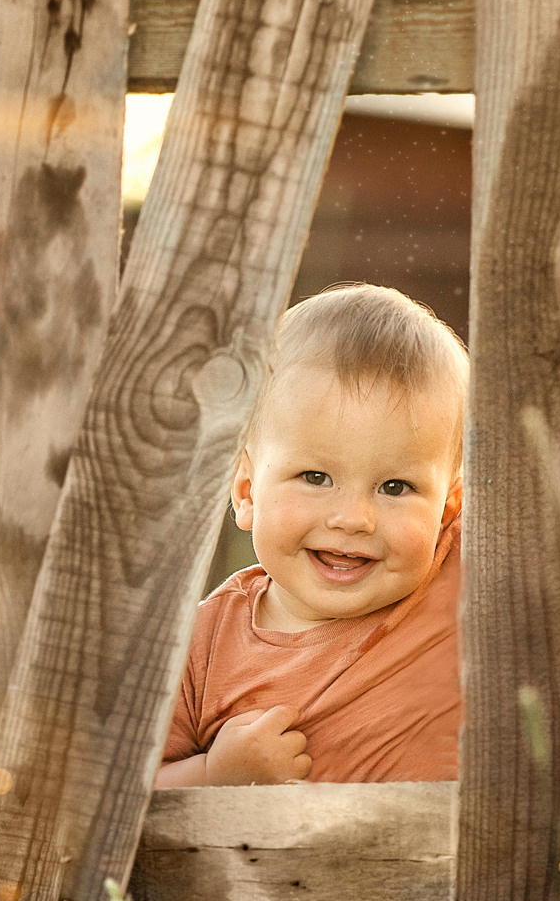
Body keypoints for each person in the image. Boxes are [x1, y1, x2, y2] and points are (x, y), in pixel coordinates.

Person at [158, 284, 468, 789]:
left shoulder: (459, 574)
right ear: (246, 492)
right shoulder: (200, 647)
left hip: (452, 863)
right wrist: (214, 774)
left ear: (447, 507)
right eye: (315, 478)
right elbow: (113, 802)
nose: (353, 518)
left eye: (396, 487)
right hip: (275, 868)